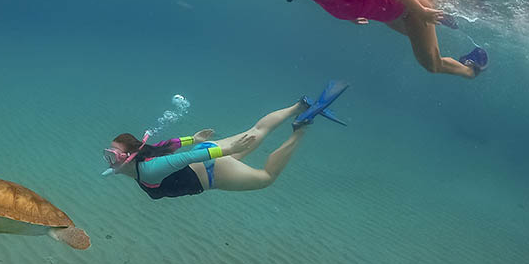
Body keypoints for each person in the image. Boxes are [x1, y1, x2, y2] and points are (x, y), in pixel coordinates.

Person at [102, 81, 348, 200]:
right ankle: (299, 105)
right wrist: (193, 138)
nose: (110, 160)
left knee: (266, 178)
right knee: (256, 131)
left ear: (130, 157)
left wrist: (229, 149)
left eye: (113, 156)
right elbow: (168, 145)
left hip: (214, 171)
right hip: (209, 154)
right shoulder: (145, 156)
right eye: (108, 155)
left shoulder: (149, 170)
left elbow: (187, 157)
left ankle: (300, 128)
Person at [279, 0, 488, 78]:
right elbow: (337, 4)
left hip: (408, 11)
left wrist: (422, 11)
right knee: (422, 40)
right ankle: (442, 18)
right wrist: (351, 15)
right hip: (390, 16)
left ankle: (471, 69)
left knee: (431, 64)